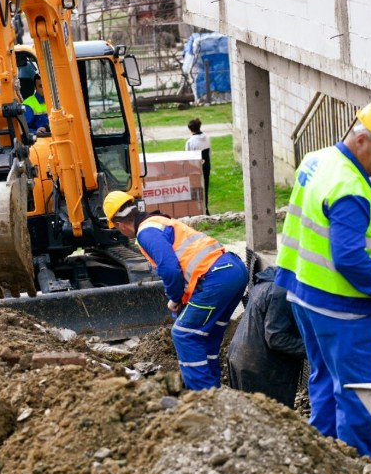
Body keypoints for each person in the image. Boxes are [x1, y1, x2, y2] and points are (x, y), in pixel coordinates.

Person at [274, 99, 371, 460]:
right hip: (340, 308)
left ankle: (326, 464)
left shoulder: (317, 160)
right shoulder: (350, 187)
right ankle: (358, 472)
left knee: (325, 380)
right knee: (359, 394)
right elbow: (348, 257)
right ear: (362, 139)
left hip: (304, 294)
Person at [104, 190, 248, 390]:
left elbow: (169, 269)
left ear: (119, 225)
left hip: (217, 276)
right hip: (234, 269)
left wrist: (174, 298)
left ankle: (202, 396)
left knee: (184, 334)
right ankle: (214, 391)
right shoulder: (159, 221)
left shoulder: (146, 232)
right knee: (209, 335)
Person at [227, 266, 305, 408]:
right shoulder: (282, 292)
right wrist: (312, 349)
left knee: (249, 418)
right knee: (269, 420)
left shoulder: (269, 280)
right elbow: (276, 337)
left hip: (243, 358)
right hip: (262, 369)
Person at [185, 118, 211, 214]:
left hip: (195, 168)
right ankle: (206, 208)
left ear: (190, 129)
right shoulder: (207, 137)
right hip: (206, 164)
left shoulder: (190, 142)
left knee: (196, 189)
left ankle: (197, 210)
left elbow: (188, 157)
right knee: (206, 187)